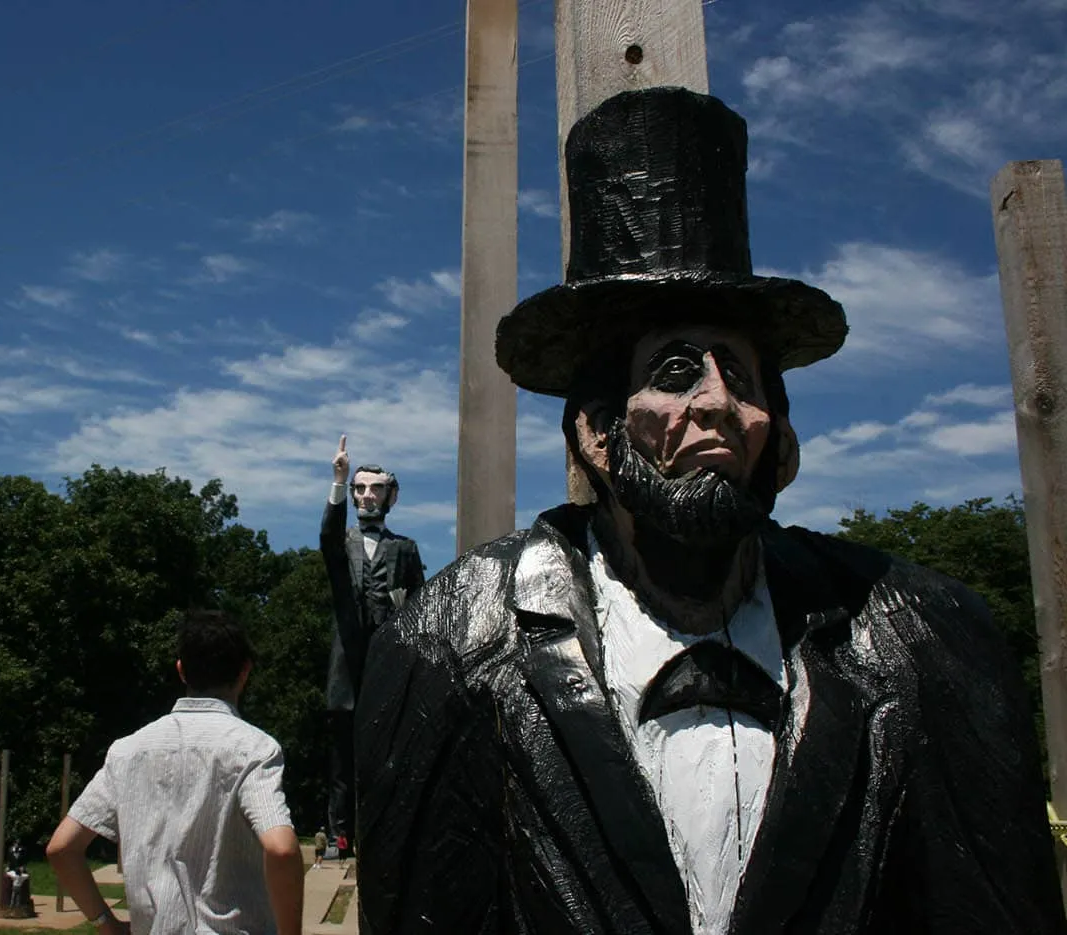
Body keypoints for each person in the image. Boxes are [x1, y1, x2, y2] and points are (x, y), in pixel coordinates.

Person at [355, 87, 1067, 935]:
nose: (719, 402)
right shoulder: (446, 645)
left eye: (742, 373)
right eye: (678, 370)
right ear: (595, 429)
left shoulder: (924, 639)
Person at [46, 609, 303, 935]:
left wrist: (105, 923)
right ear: (245, 671)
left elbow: (62, 848)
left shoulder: (127, 751)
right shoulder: (254, 749)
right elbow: (281, 848)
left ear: (181, 670)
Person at [320, 434, 425, 850]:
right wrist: (337, 479)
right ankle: (338, 833)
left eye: (374, 489)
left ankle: (384, 831)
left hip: (389, 662)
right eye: (359, 489)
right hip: (347, 663)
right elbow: (327, 537)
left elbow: (421, 601)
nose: (365, 496)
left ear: (390, 496)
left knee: (388, 750)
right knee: (342, 755)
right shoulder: (341, 542)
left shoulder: (405, 548)